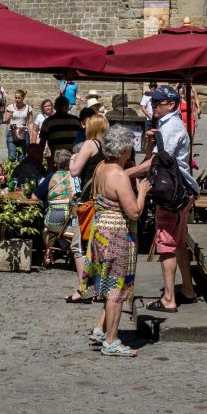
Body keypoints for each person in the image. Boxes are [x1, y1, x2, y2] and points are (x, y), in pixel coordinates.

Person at [127, 85, 199, 312]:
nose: (153, 106)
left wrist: (124, 173)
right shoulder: (166, 126)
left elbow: (159, 163)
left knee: (166, 244)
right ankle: (187, 289)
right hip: (182, 190)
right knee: (178, 244)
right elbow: (156, 157)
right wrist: (150, 144)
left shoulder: (170, 128)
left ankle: (169, 298)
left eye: (158, 103)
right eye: (153, 102)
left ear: (172, 105)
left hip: (171, 194)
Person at [82, 125, 150, 357]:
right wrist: (142, 191)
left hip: (100, 230)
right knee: (116, 289)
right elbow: (134, 213)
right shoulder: (119, 175)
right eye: (130, 146)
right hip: (116, 234)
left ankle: (103, 331)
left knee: (109, 284)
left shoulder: (101, 167)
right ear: (124, 149)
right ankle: (111, 340)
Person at [68, 114, 108, 302]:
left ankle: (84, 289)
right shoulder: (107, 147)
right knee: (97, 247)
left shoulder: (90, 144)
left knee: (79, 246)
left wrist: (74, 159)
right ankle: (99, 288)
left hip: (87, 202)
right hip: (102, 200)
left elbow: (75, 171)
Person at [42, 149, 76, 267]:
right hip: (70, 221)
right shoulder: (74, 177)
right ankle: (71, 251)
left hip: (52, 219)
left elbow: (35, 195)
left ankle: (48, 250)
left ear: (56, 163)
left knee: (46, 229)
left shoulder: (52, 176)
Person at [3, 89, 33, 159]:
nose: (17, 99)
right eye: (15, 98)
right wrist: (8, 117)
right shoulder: (10, 107)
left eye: (19, 98)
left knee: (22, 157)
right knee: (12, 157)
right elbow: (5, 121)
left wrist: (31, 136)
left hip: (24, 133)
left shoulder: (28, 108)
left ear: (23, 98)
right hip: (12, 132)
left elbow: (30, 123)